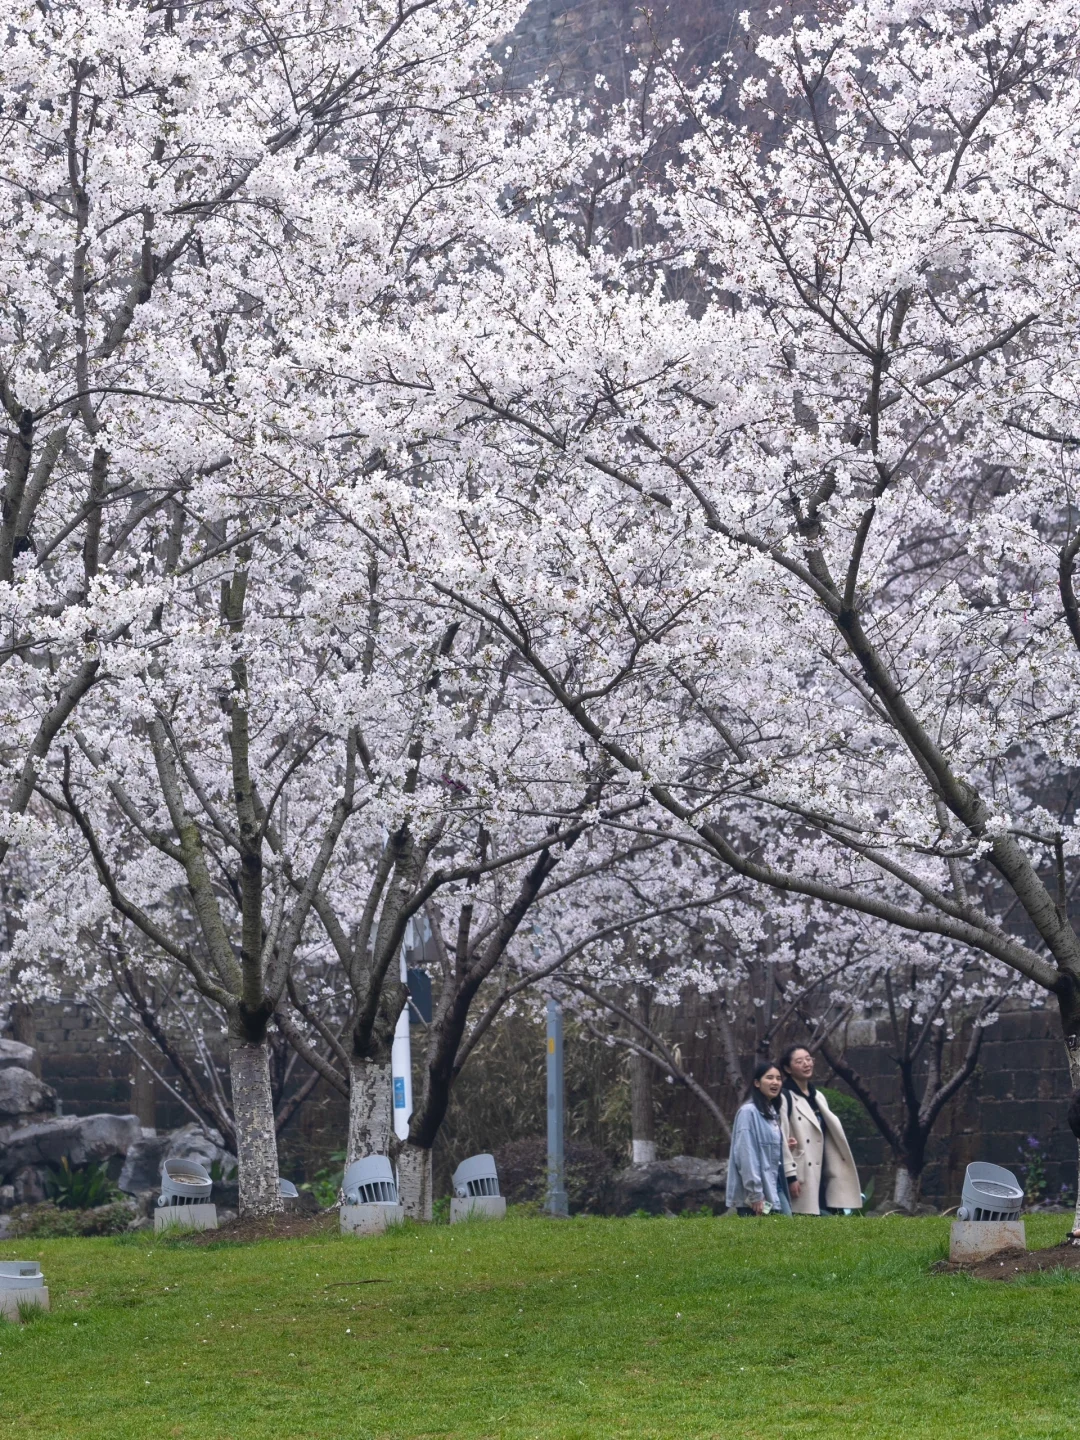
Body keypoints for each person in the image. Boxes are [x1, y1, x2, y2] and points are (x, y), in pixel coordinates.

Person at [778, 1044, 862, 1215]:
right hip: (802, 1171)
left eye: (809, 1059)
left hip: (823, 1167)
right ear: (788, 1068)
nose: (806, 1064)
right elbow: (781, 1139)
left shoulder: (818, 1096)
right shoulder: (784, 1097)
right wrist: (790, 1176)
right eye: (799, 1061)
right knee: (806, 1219)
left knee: (825, 1216)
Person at [726, 1061, 795, 1216]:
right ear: (757, 1083)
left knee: (781, 1232)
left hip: (774, 1184)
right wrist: (756, 1195)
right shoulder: (748, 1112)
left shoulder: (770, 1111)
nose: (775, 1082)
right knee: (763, 1235)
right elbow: (746, 1155)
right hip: (757, 1191)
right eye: (769, 1078)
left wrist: (783, 1146)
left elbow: (766, 1149)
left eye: (778, 1078)